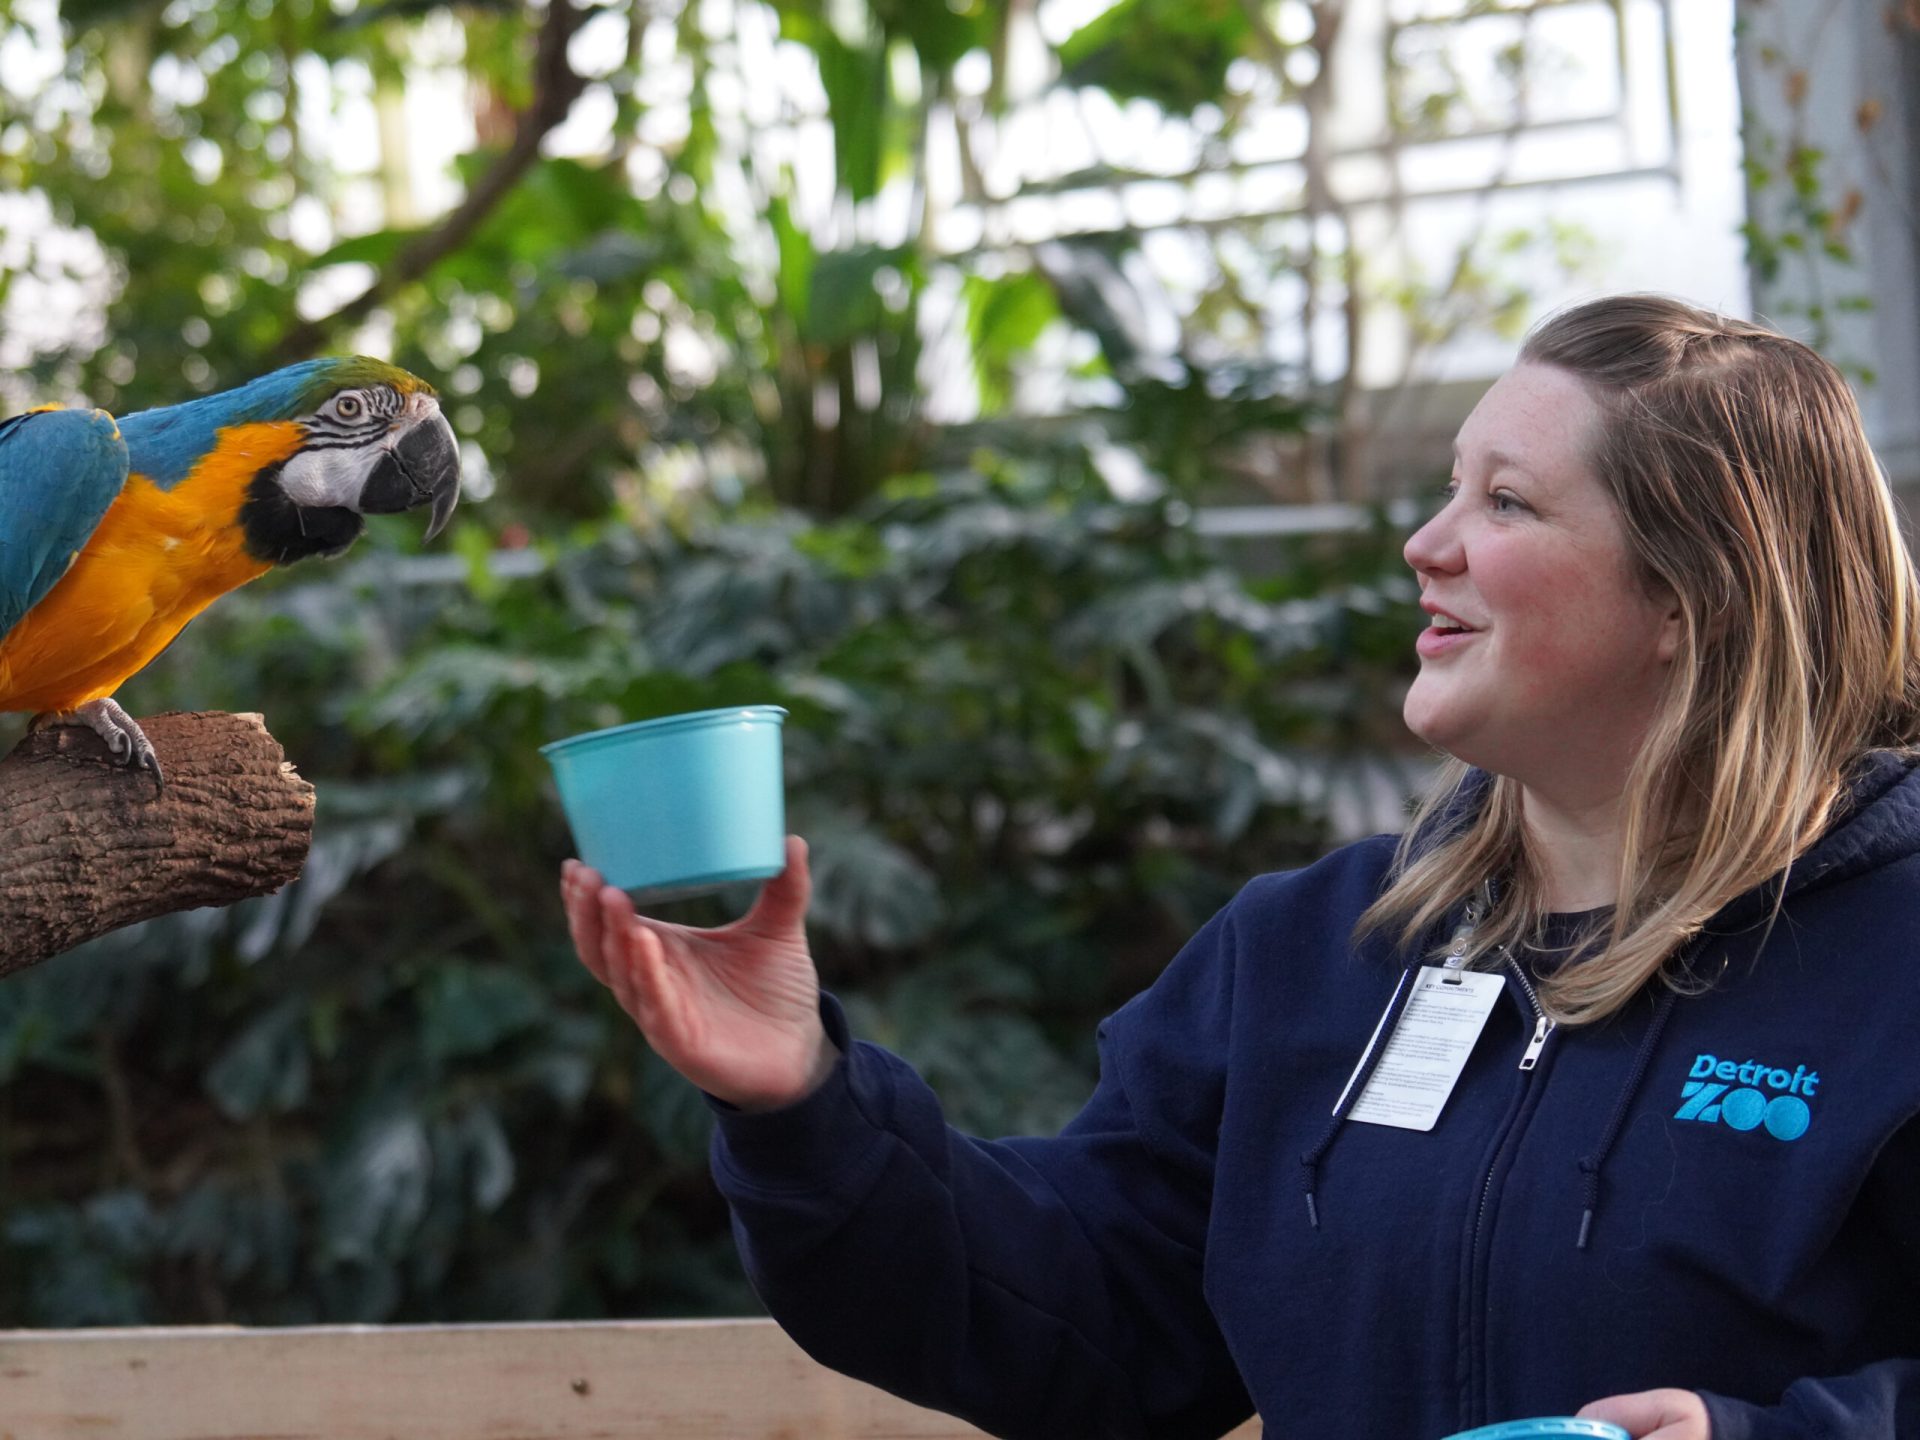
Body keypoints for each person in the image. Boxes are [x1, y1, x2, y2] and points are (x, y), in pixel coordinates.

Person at [560, 294, 1920, 1440]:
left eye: (1506, 502)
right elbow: (1076, 1322)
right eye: (1450, 486)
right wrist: (800, 1094)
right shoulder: (1313, 953)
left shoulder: (1891, 956)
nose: (1426, 545)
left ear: (1693, 600)